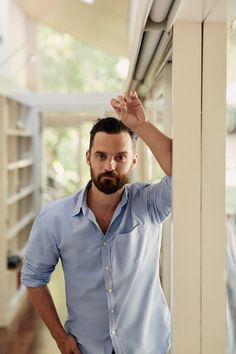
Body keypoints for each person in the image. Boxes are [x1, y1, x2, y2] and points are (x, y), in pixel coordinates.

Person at [21, 91, 172, 354]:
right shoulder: (54, 218)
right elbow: (34, 278)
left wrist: (141, 126)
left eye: (121, 157)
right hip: (87, 348)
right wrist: (60, 337)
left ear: (134, 160)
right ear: (88, 157)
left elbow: (186, 167)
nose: (110, 165)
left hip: (147, 346)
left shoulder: (149, 203)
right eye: (101, 156)